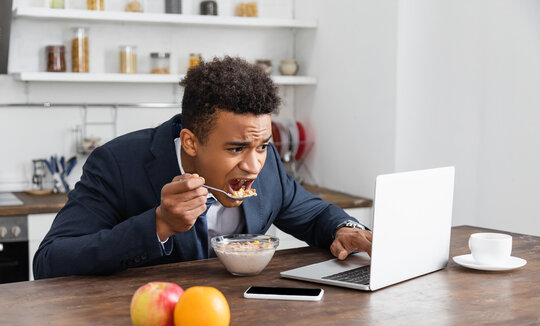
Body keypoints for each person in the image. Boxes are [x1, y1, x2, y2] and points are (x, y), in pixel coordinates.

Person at [33, 56, 372, 279]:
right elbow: (50, 261)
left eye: (263, 146)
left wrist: (344, 228)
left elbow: (313, 215)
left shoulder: (263, 168)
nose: (254, 165)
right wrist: (158, 225)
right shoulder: (118, 164)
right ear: (191, 142)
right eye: (236, 148)